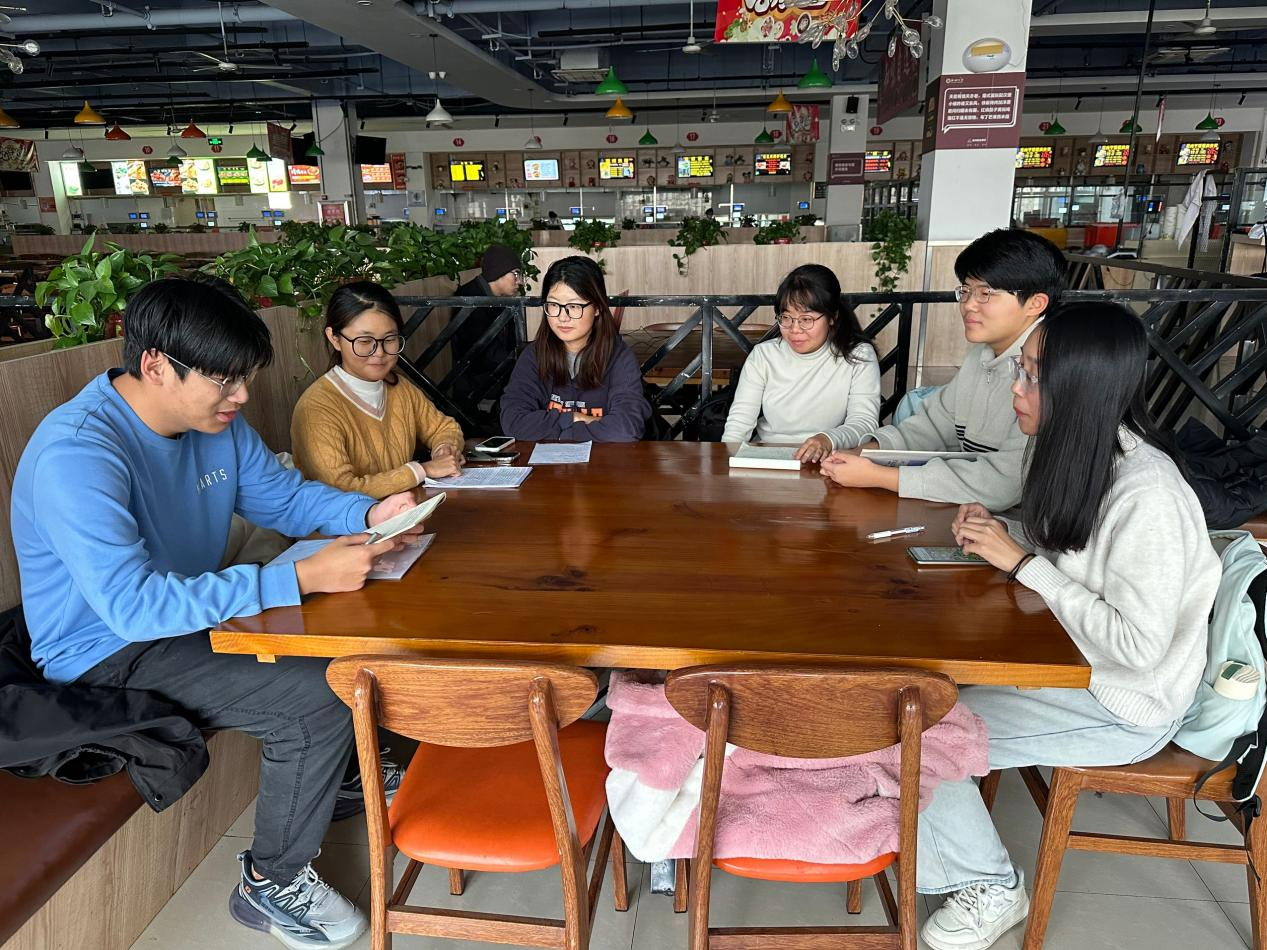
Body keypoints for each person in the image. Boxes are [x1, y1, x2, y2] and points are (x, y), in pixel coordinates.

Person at [10, 277, 428, 950]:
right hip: (105, 650)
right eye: (224, 381)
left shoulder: (214, 426)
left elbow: (284, 499)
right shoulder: (78, 453)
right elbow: (133, 607)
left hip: (187, 612)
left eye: (245, 379)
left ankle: (338, 776)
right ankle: (271, 880)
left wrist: (369, 513)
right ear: (155, 365)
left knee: (360, 617)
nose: (241, 397)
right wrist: (295, 577)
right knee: (316, 694)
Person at [915, 302, 1221, 950]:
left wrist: (1023, 563)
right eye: (1020, 370)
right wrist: (1005, 535)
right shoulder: (1087, 453)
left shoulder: (1148, 495)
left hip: (1124, 703)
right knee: (914, 693)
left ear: (1078, 390)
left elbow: (1138, 648)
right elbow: (1079, 557)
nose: (1016, 389)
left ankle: (990, 887)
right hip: (1074, 666)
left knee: (919, 732)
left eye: (1031, 376)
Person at [819, 228, 1066, 509]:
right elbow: (934, 426)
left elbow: (1005, 484)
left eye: (985, 293)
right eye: (966, 291)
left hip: (1024, 525)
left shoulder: (1053, 372)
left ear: (1036, 303)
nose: (968, 305)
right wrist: (867, 452)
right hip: (973, 515)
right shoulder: (981, 356)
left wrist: (880, 476)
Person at [291, 281, 464, 498]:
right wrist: (422, 470)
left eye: (389, 339)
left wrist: (444, 449)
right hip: (349, 521)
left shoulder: (399, 388)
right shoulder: (316, 407)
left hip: (403, 512)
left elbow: (444, 427)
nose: (379, 352)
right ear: (334, 338)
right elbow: (339, 489)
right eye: (365, 341)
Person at [722, 264, 880, 462]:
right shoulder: (764, 355)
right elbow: (739, 424)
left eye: (806, 319)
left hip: (831, 460)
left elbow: (864, 423)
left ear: (832, 317)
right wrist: (726, 462)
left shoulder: (858, 356)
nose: (795, 329)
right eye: (786, 318)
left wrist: (828, 439)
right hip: (769, 457)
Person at [499, 255, 651, 442]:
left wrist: (554, 430)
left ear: (597, 307)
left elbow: (626, 428)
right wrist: (573, 419)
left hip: (603, 460)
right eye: (553, 305)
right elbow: (513, 422)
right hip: (547, 461)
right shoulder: (535, 355)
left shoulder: (618, 357)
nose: (563, 317)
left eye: (574, 305)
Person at [451, 242, 523, 412]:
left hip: (496, 374)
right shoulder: (470, 299)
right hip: (477, 382)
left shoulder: (496, 298)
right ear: (498, 272)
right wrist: (523, 360)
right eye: (516, 274)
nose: (519, 281)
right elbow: (482, 353)